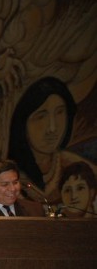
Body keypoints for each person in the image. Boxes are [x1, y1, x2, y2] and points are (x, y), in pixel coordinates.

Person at [8, 76, 97, 204]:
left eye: (60, 113)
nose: (52, 128)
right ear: (23, 123)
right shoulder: (10, 174)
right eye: (41, 116)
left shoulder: (71, 163)